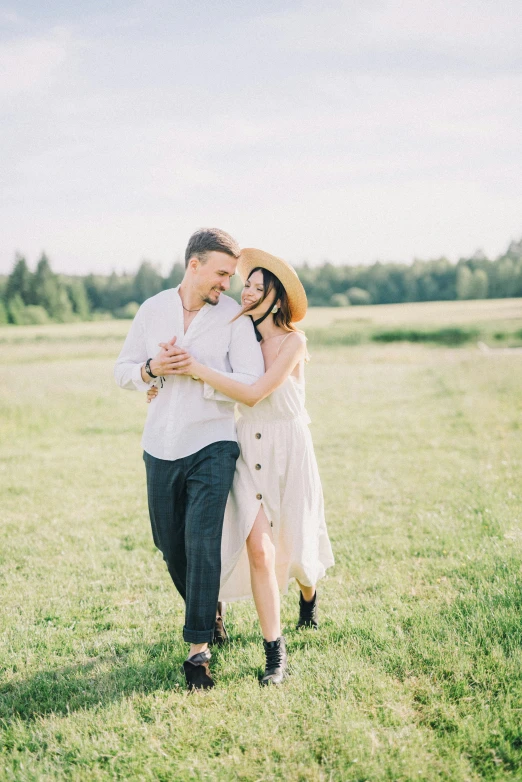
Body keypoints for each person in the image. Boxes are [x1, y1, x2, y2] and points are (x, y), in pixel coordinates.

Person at [148, 248, 334, 685]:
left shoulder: (294, 342)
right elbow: (220, 380)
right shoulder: (239, 333)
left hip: (289, 451)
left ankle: (309, 596)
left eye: (256, 287)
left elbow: (254, 393)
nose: (246, 292)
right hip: (246, 452)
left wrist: (196, 371)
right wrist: (166, 382)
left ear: (277, 297)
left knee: (300, 552)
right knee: (260, 552)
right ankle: (275, 653)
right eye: (245, 285)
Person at [114, 228, 264, 691]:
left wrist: (195, 368)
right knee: (169, 544)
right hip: (160, 442)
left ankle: (198, 651)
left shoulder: (234, 318)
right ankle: (209, 607)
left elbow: (250, 377)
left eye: (231, 276)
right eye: (220, 273)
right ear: (193, 265)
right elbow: (123, 371)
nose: (227, 284)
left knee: (202, 542)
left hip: (214, 442)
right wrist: (153, 370)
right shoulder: (152, 309)